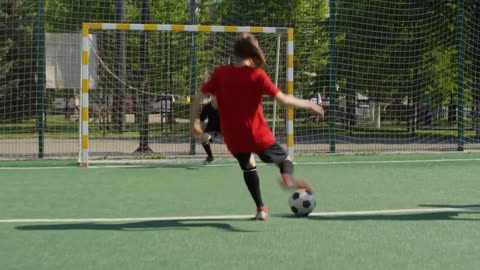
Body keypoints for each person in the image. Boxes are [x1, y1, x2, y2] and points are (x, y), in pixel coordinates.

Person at [190, 33, 324, 221]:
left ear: (235, 52)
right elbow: (284, 100)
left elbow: (198, 96)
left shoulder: (220, 73)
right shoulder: (257, 75)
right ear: (254, 51)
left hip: (234, 138)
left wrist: (195, 122)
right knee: (286, 161)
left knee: (248, 167)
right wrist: (309, 104)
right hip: (257, 134)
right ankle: (288, 178)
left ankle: (261, 208)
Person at [199, 96, 221, 165]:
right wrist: (201, 131)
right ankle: (210, 157)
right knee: (203, 138)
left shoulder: (225, 105)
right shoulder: (207, 107)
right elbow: (201, 119)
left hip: (224, 128)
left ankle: (245, 155)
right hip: (212, 128)